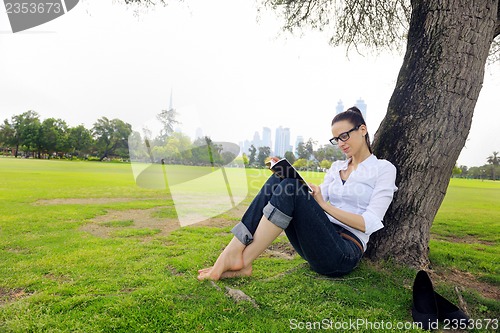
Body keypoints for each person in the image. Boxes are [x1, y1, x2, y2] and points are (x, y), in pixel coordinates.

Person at [197, 107, 397, 280]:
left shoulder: (383, 169)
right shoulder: (337, 167)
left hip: (343, 252)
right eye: (336, 139)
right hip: (316, 237)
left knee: (291, 187)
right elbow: (311, 200)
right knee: (282, 179)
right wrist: (293, 177)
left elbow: (371, 222)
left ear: (363, 129)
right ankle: (234, 249)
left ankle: (243, 261)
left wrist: (325, 206)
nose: (341, 143)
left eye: (344, 136)